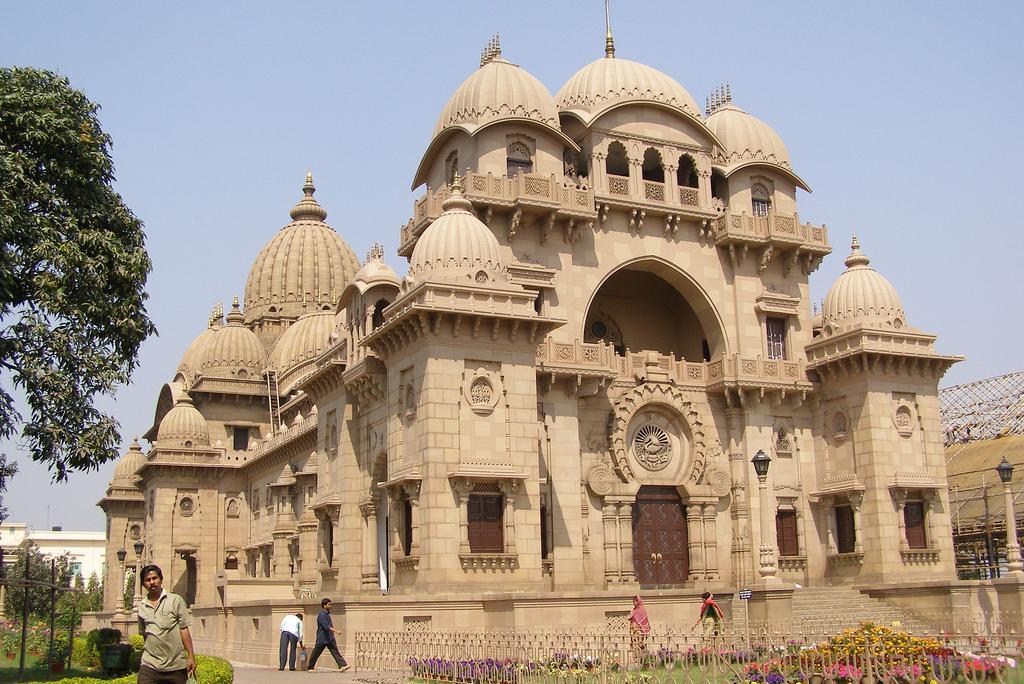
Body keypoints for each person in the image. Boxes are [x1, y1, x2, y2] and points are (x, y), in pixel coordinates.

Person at [136, 564, 196, 684]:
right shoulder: (141, 607)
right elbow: (145, 635)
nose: (152, 582)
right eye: (148, 580)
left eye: (155, 578)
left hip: (175, 666)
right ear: (143, 584)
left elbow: (184, 630)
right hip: (150, 665)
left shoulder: (175, 600)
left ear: (161, 579)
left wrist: (191, 657)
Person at [307, 598, 350, 672]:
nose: (330, 606)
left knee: (335, 652)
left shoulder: (327, 614)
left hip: (329, 638)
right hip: (322, 637)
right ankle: (310, 667)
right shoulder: (322, 614)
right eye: (329, 604)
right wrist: (336, 631)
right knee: (316, 653)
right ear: (324, 605)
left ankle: (342, 665)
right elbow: (326, 626)